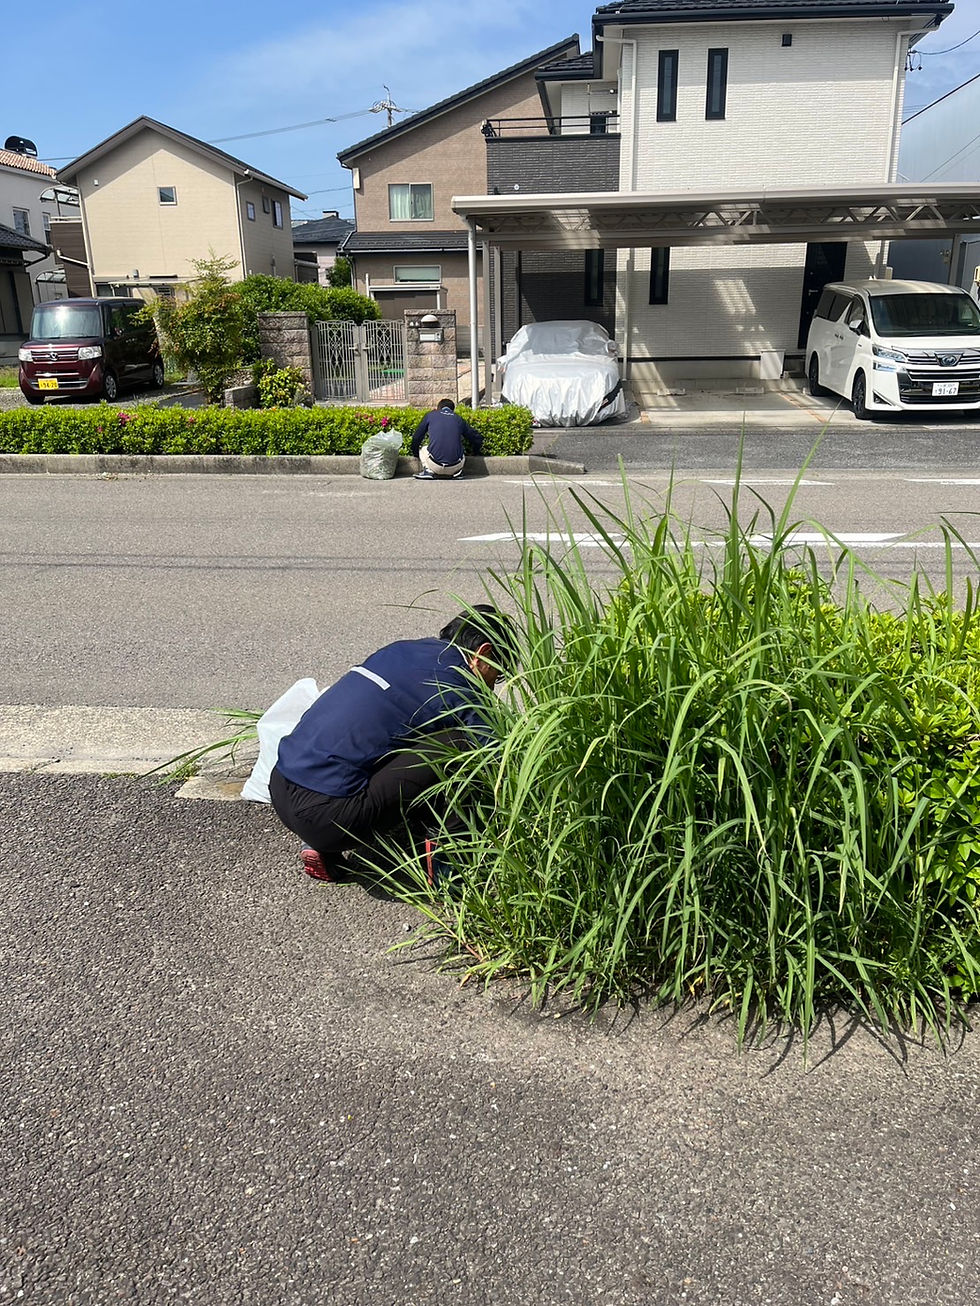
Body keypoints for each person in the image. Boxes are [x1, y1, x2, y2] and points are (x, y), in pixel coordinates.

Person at [269, 605, 515, 882]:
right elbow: (498, 760)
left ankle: (318, 846)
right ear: (484, 653)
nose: (492, 688)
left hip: (280, 785)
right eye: (496, 676)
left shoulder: (399, 650)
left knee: (376, 741)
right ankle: (450, 863)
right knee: (461, 746)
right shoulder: (462, 686)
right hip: (330, 817)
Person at [411, 399, 483, 480]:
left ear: (438, 408)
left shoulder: (430, 415)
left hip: (434, 465)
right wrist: (475, 452)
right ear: (452, 409)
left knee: (423, 449)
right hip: (455, 466)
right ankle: (457, 473)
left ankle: (428, 471)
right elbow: (476, 438)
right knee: (461, 449)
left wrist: (415, 454)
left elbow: (417, 438)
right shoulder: (458, 419)